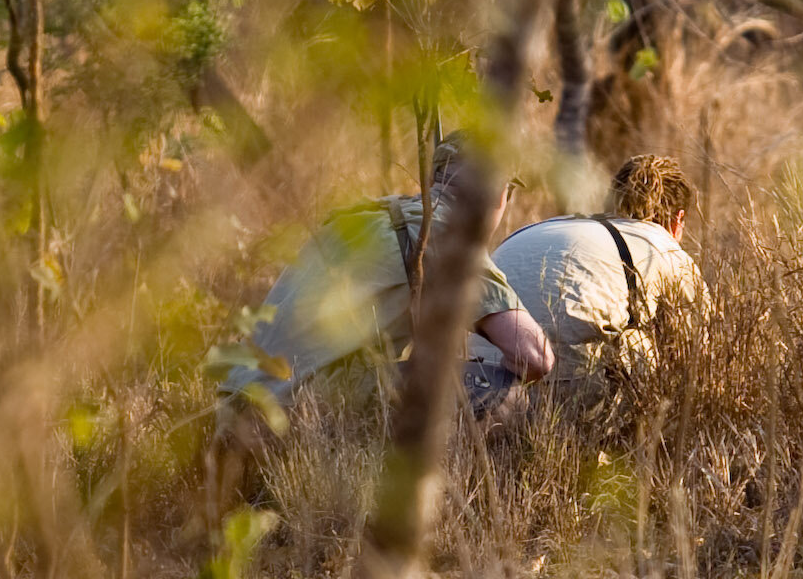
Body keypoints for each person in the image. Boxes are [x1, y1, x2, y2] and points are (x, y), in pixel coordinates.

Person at [218, 140, 555, 430]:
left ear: (431, 179)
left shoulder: (361, 216)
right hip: (295, 413)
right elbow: (534, 357)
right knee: (505, 391)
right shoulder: (449, 236)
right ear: (499, 196)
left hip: (233, 404)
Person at [469, 154, 705, 414]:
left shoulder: (544, 227)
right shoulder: (663, 246)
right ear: (678, 220)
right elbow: (697, 351)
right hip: (559, 388)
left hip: (480, 378)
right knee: (641, 339)